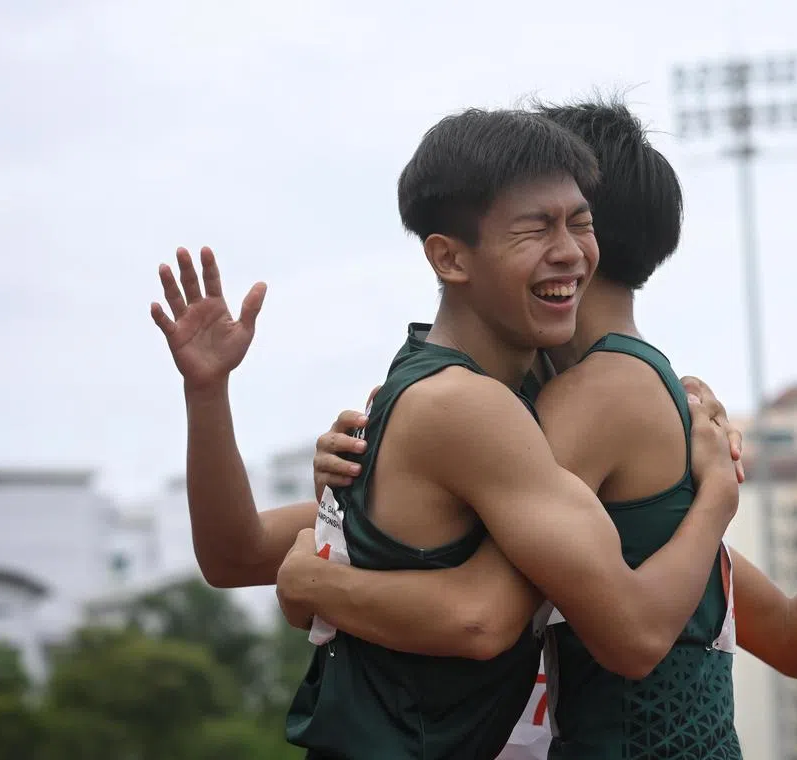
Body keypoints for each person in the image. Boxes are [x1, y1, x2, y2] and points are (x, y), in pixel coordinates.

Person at [279, 99, 797, 759]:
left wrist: (314, 580)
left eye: (565, 212)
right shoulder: (657, 402)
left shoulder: (588, 401)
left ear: (589, 229)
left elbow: (482, 611)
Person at [150, 107, 741, 760]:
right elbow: (511, 623)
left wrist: (208, 398)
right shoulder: (466, 409)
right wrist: (718, 494)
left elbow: (233, 555)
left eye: (579, 223)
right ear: (452, 257)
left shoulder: (441, 394)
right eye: (536, 227)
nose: (568, 250)